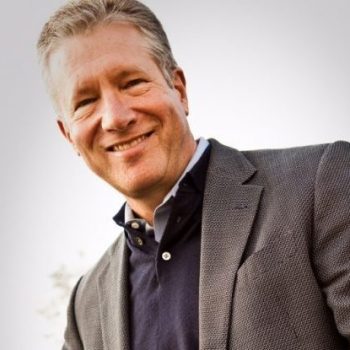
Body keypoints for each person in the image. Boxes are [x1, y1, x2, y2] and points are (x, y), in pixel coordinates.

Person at [37, 0, 350, 349]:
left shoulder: (322, 182)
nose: (115, 117)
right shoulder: (84, 309)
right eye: (85, 102)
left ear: (179, 89)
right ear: (69, 136)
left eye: (132, 83)